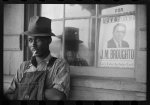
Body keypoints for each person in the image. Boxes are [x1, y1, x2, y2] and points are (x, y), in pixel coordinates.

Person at [4, 16, 70, 100]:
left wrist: (26, 88)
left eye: (38, 40)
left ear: (49, 41)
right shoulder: (23, 67)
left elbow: (58, 96)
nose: (33, 45)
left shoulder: (59, 65)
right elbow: (10, 94)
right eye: (30, 40)